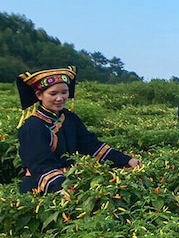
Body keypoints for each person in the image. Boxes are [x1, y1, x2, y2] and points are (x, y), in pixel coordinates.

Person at [16, 66, 140, 195]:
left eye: (64, 92)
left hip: (71, 183)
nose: (60, 98)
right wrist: (59, 188)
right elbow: (40, 164)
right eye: (53, 94)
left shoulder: (69, 117)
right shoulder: (33, 126)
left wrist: (126, 161)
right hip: (41, 188)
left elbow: (91, 146)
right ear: (39, 95)